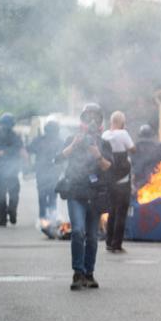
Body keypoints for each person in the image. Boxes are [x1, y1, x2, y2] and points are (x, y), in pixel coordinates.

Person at [57, 104, 113, 290]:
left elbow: (108, 167)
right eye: (88, 117)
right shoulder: (72, 139)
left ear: (100, 121)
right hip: (76, 192)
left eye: (95, 117)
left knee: (92, 237)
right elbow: (57, 159)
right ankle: (78, 273)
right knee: (77, 231)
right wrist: (73, 145)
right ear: (82, 120)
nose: (92, 121)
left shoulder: (103, 143)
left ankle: (89, 273)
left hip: (95, 195)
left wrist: (97, 155)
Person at [102, 111, 135, 253]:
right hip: (123, 180)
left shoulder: (104, 135)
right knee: (121, 212)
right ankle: (117, 244)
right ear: (122, 122)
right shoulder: (123, 134)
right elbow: (133, 149)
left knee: (111, 211)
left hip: (109, 179)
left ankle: (109, 242)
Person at [0, 113, 27, 226]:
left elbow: (22, 151)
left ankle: (4, 218)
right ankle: (11, 212)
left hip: (4, 171)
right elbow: (23, 152)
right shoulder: (14, 136)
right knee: (12, 194)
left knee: (2, 195)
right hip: (8, 171)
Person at [26, 120, 66, 219]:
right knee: (51, 196)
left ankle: (43, 217)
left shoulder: (40, 140)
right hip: (50, 172)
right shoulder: (59, 141)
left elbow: (29, 149)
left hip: (44, 172)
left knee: (43, 196)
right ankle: (50, 217)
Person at [132, 124, 160, 190]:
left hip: (139, 175)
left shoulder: (135, 146)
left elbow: (132, 160)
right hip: (153, 175)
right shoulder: (157, 146)